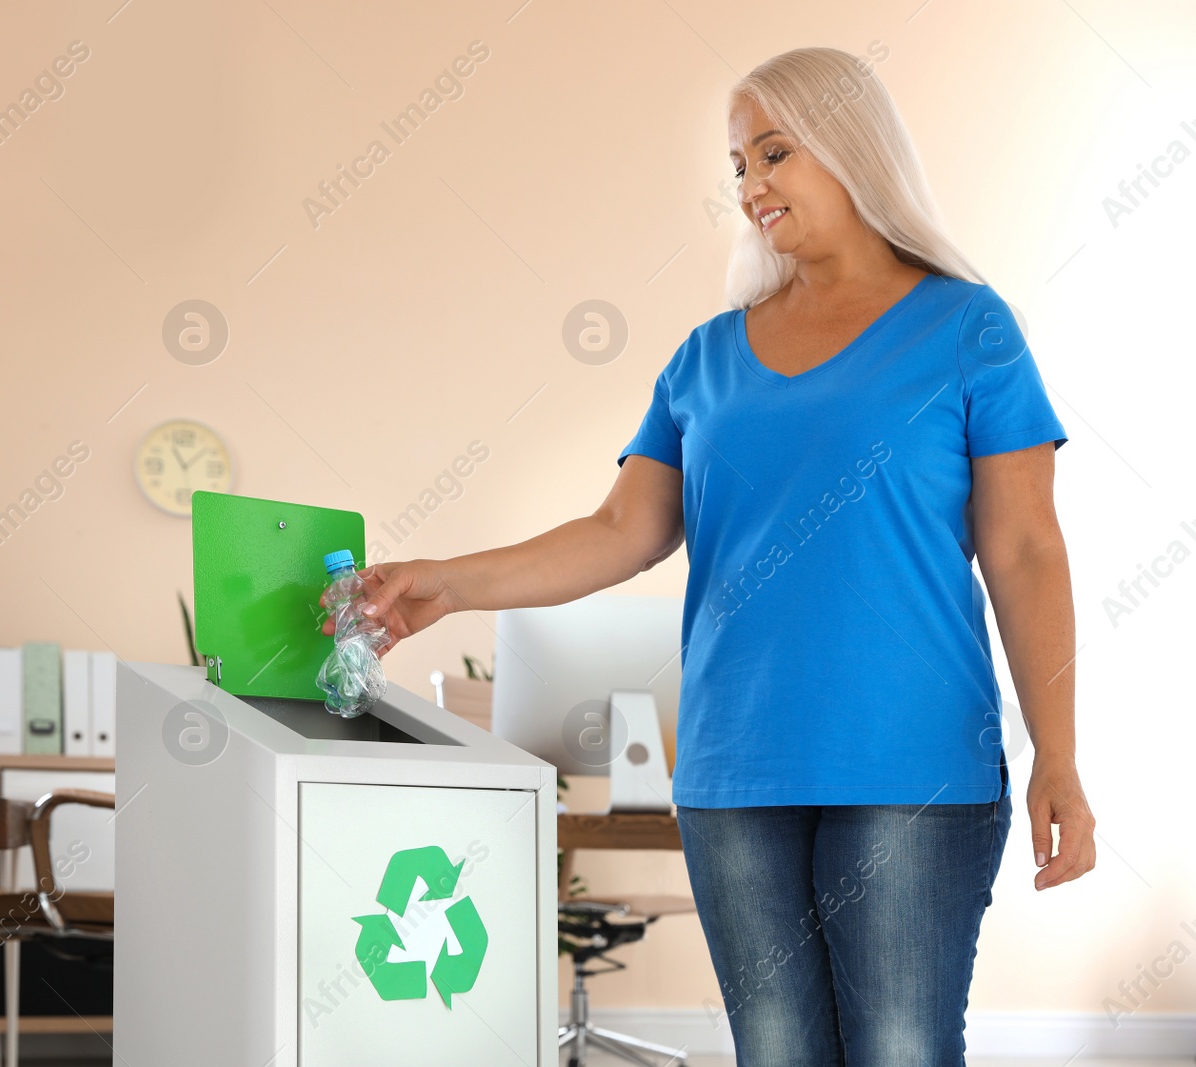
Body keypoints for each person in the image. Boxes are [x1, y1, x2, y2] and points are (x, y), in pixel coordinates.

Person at [322, 46, 1095, 1065]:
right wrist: (444, 584)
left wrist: (1058, 753)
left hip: (914, 765)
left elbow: (1026, 547)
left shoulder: (967, 330)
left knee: (899, 1044)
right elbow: (617, 533)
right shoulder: (706, 359)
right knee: (774, 1048)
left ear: (852, 148)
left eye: (774, 153)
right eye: (737, 165)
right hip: (738, 769)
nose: (750, 187)